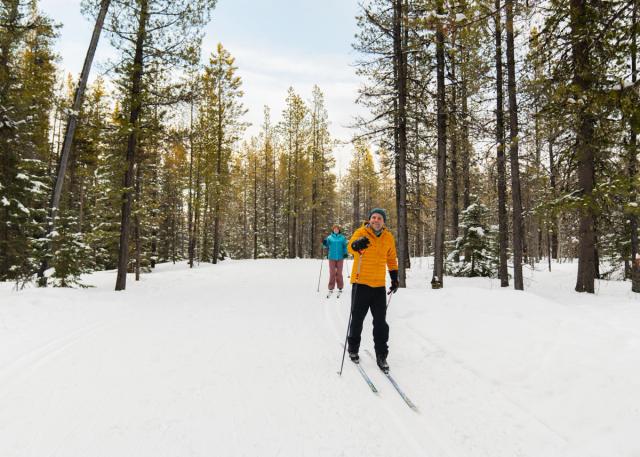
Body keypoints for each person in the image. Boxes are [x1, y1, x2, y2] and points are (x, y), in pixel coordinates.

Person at [347, 208, 399, 373]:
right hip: (360, 283)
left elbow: (391, 259)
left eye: (379, 218)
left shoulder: (388, 237)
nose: (376, 220)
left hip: (378, 286)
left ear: (384, 222)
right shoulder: (361, 232)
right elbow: (350, 247)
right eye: (373, 217)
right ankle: (353, 348)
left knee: (381, 323)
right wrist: (356, 245)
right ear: (369, 219)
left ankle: (381, 355)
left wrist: (394, 278)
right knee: (357, 320)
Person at [322, 224, 348, 298]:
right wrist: (324, 243)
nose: (336, 230)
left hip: (340, 257)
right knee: (332, 272)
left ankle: (340, 286)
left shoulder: (342, 238)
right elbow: (325, 246)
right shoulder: (329, 238)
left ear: (339, 230)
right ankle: (331, 286)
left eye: (337, 229)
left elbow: (344, 246)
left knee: (339, 273)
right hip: (332, 257)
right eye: (334, 229)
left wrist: (345, 253)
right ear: (333, 230)